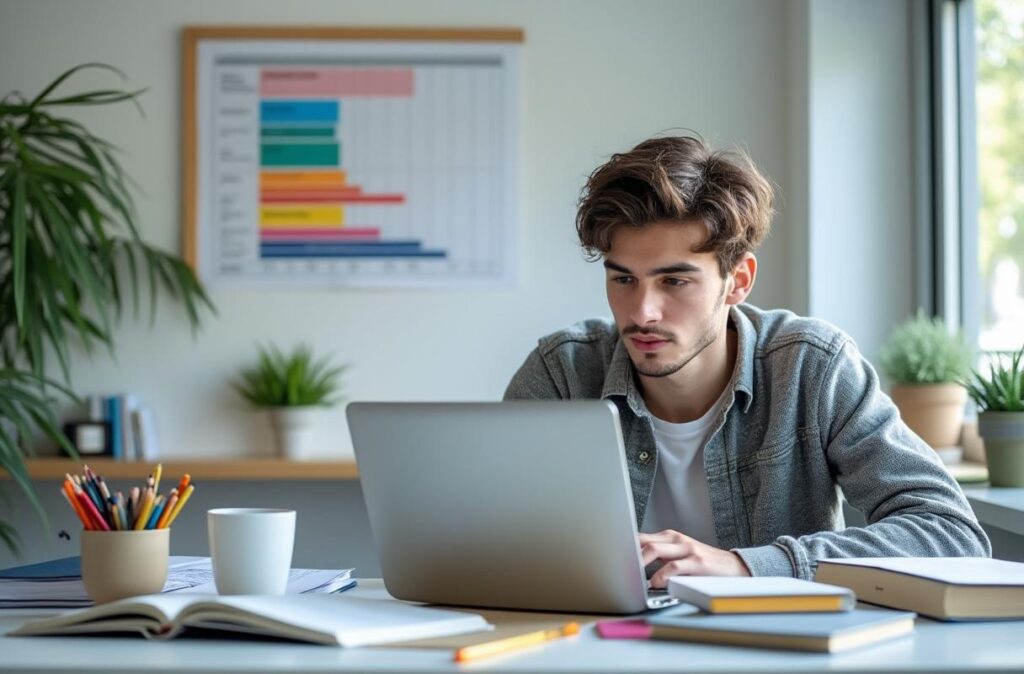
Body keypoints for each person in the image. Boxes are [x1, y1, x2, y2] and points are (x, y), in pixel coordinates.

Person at [504, 135, 990, 584]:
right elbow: (488, 534)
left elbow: (950, 534)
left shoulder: (811, 367)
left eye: (674, 281)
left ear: (737, 281)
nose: (642, 312)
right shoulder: (562, 374)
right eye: (624, 279)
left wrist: (747, 565)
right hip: (600, 647)